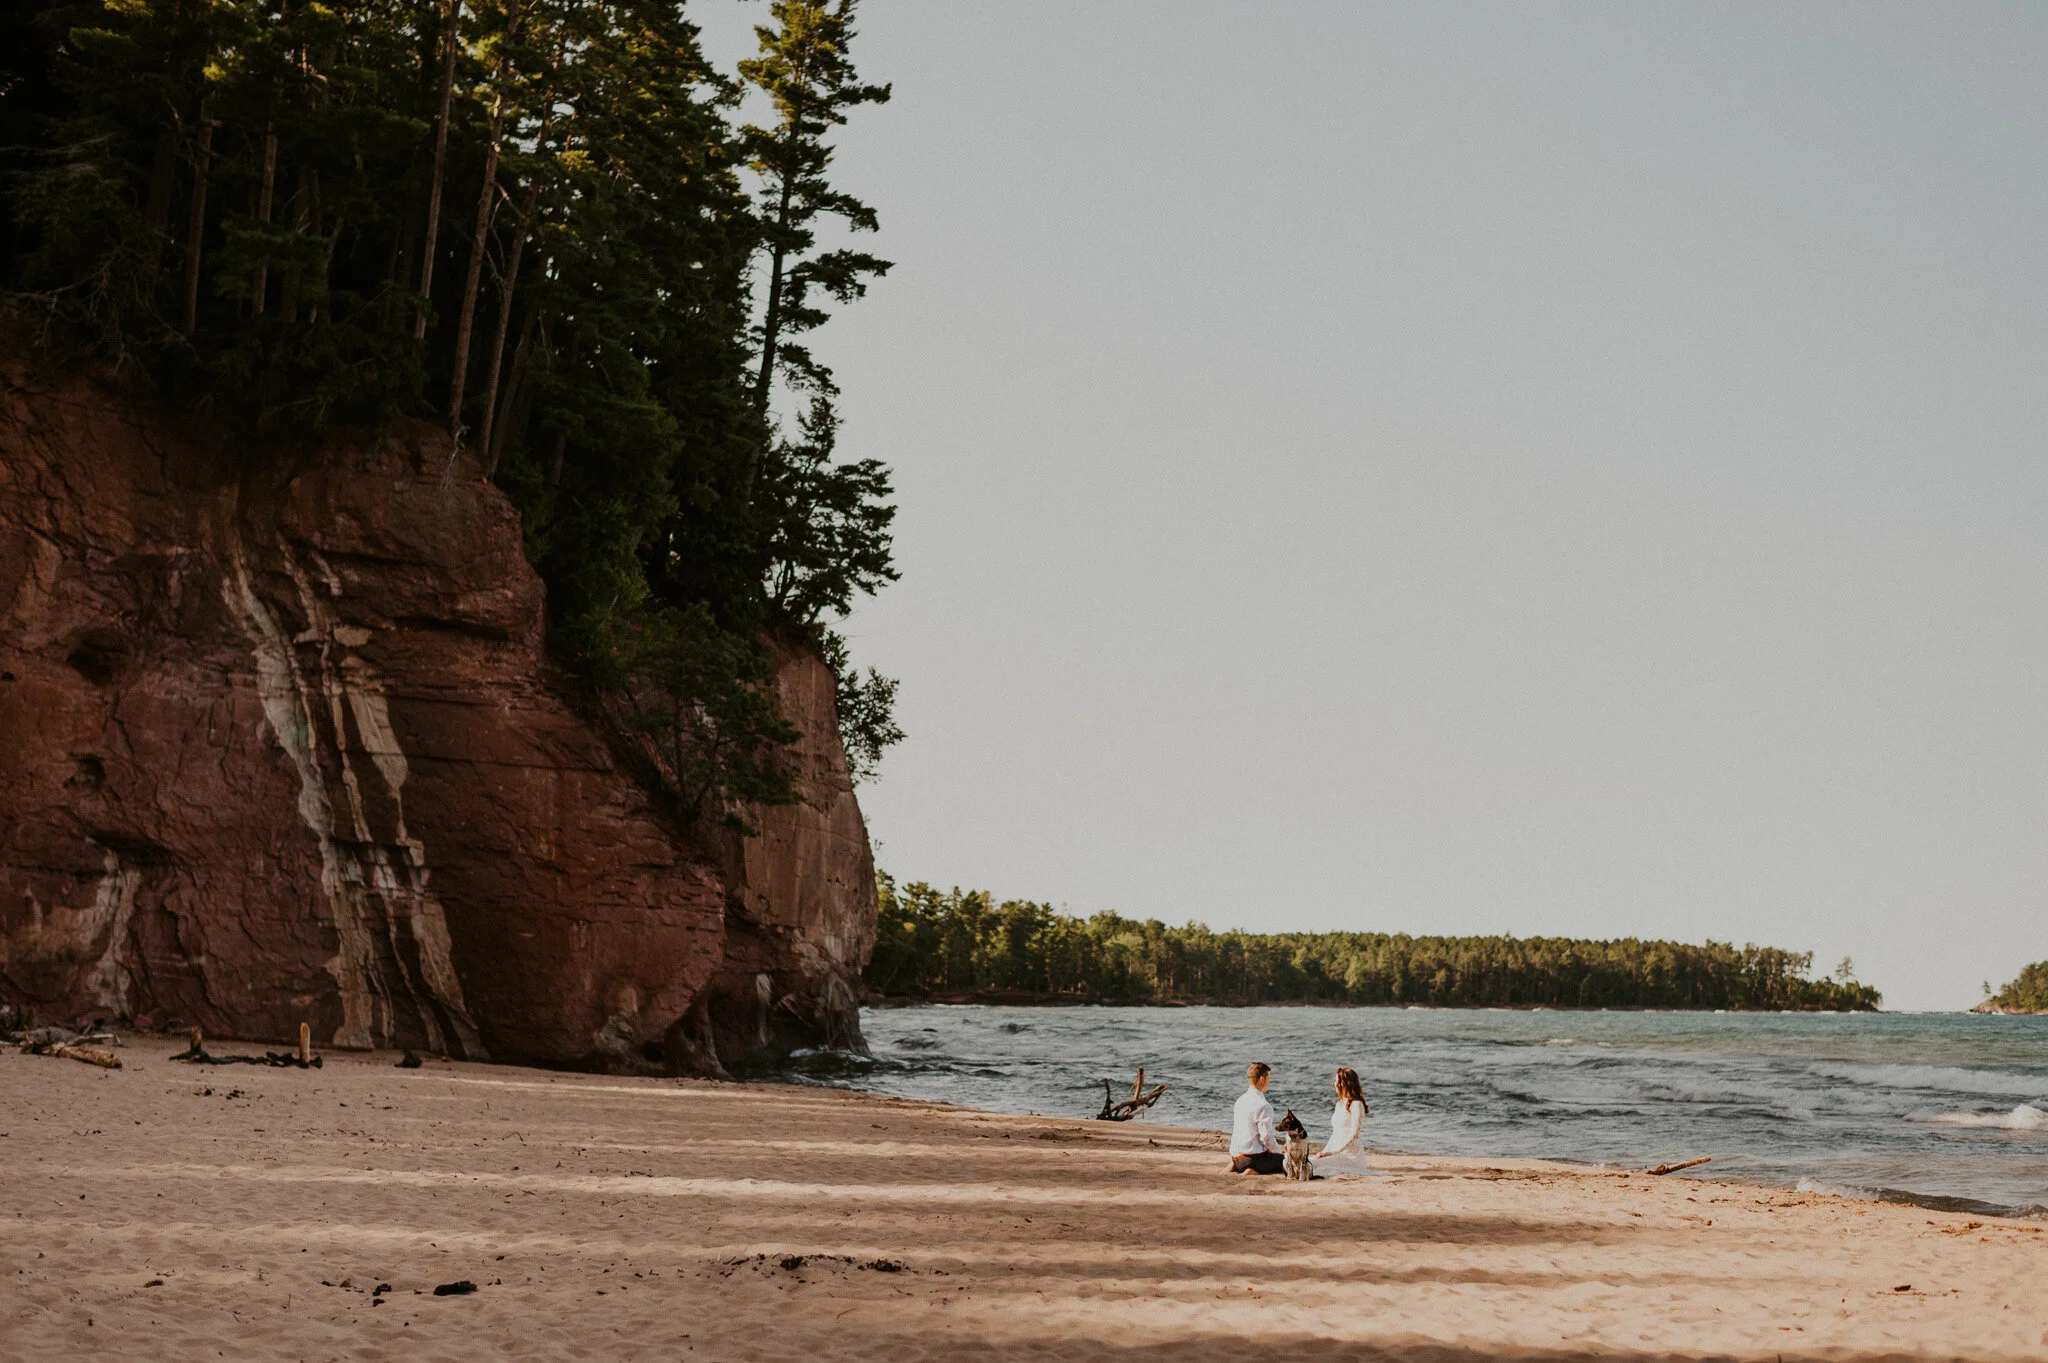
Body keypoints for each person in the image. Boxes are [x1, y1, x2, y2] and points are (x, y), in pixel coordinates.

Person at [1311, 1066, 1386, 1178]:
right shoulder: (1339, 1104)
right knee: (1311, 1161)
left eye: (1336, 1081)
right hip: (1335, 1151)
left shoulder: (1356, 1105)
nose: (1334, 1084)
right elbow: (1335, 1135)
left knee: (1315, 1166)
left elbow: (1354, 1136)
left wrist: (1333, 1153)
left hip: (1350, 1156)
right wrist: (1324, 1152)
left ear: (1344, 1084)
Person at [1229, 1061, 1286, 1174]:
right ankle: (1252, 1170)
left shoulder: (1240, 1101)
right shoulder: (1264, 1105)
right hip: (1252, 1159)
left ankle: (1236, 1166)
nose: (1269, 1082)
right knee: (1286, 1162)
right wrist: (1279, 1153)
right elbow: (1266, 1137)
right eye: (1268, 1078)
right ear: (1262, 1079)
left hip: (1236, 1157)